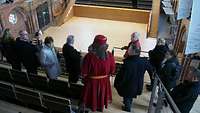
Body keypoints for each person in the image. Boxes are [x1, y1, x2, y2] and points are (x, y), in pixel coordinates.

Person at [81, 35, 116, 112]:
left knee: (92, 96)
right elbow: (112, 70)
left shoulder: (89, 56)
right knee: (102, 94)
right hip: (104, 82)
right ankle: (100, 107)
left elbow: (84, 72)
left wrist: (84, 78)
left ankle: (92, 106)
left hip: (92, 83)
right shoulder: (110, 55)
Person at [114, 44, 153, 112]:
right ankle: (128, 104)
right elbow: (151, 69)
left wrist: (118, 83)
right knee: (131, 95)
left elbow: (122, 76)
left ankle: (127, 108)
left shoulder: (128, 63)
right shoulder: (143, 61)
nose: (128, 51)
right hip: (137, 83)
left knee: (127, 97)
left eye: (129, 50)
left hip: (128, 84)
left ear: (133, 52)